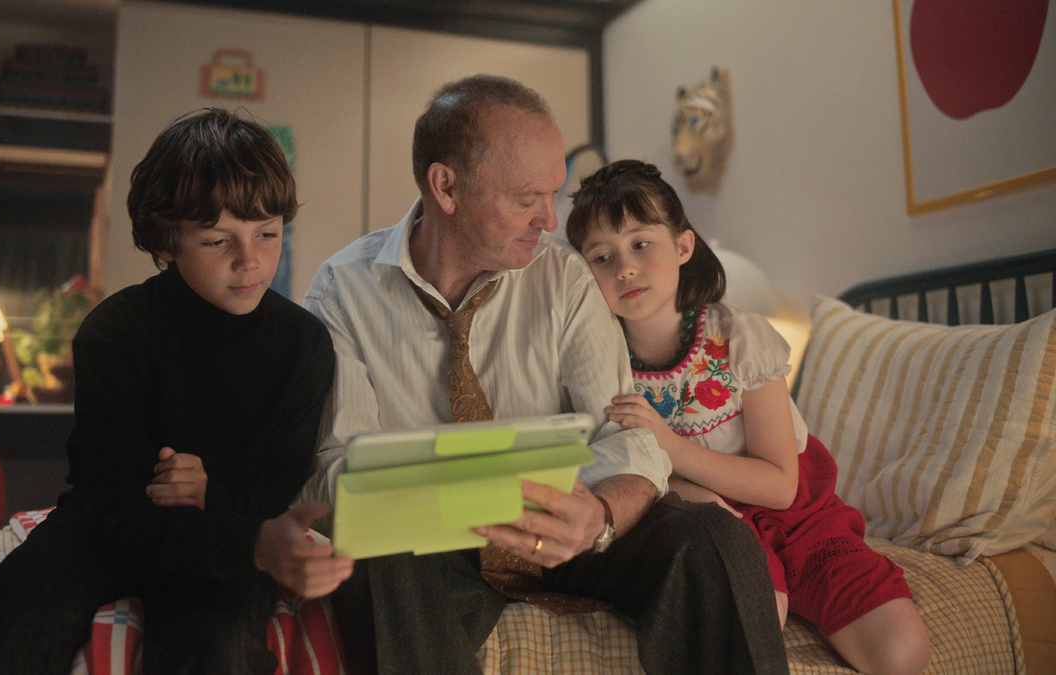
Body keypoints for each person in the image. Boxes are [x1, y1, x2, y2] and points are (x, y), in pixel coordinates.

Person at [300, 74, 788, 674]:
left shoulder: (564, 277)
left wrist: (601, 515)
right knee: (375, 559)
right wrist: (443, 502)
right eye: (527, 197)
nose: (549, 218)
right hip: (434, 547)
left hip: (571, 526)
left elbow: (627, 433)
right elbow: (331, 470)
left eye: (554, 194)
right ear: (446, 187)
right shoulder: (342, 290)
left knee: (712, 536)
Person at [0, 108, 350, 675]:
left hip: (225, 532)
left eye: (268, 233)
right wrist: (235, 522)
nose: (250, 260)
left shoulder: (302, 343)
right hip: (107, 524)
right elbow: (111, 499)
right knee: (7, 633)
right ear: (166, 242)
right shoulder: (115, 330)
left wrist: (211, 494)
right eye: (217, 240)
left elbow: (275, 491)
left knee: (216, 649)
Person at [566, 159, 931, 675]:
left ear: (683, 246)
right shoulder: (601, 365)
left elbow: (781, 487)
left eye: (641, 244)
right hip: (711, 525)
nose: (623, 267)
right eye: (602, 257)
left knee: (901, 651)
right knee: (756, 619)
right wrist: (693, 497)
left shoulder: (741, 337)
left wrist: (669, 444)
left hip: (800, 519)